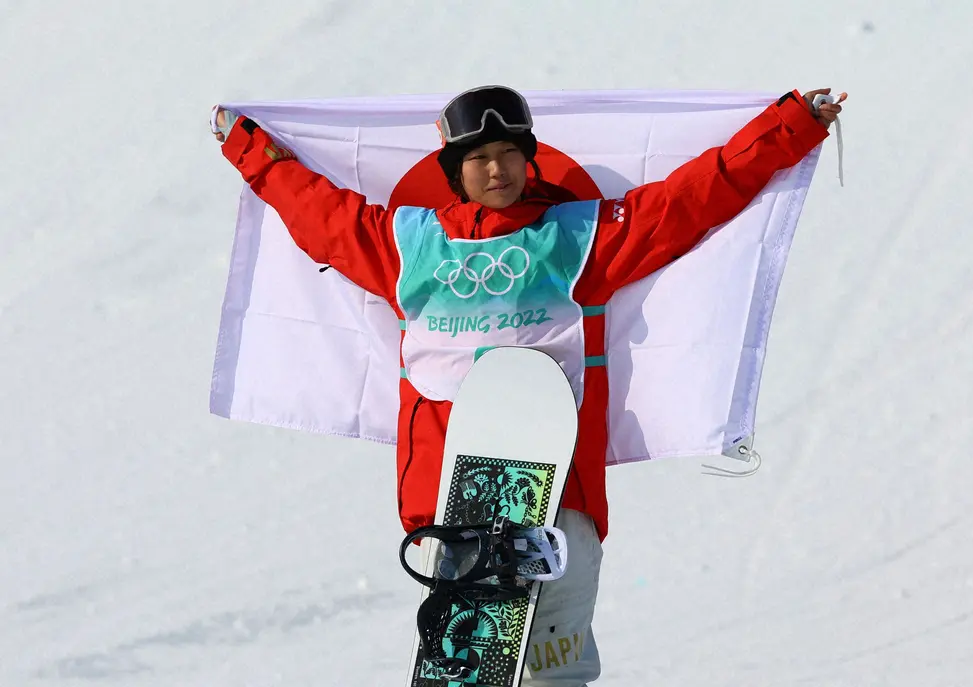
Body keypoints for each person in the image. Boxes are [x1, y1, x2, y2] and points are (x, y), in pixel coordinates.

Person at [212, 84, 846, 685]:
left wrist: (791, 126)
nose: (497, 170)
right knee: (469, 673)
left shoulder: (576, 238)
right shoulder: (410, 246)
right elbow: (316, 208)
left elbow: (690, 198)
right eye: (479, 158)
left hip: (557, 497)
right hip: (453, 506)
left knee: (555, 674)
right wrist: (246, 144)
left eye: (510, 153)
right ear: (454, 170)